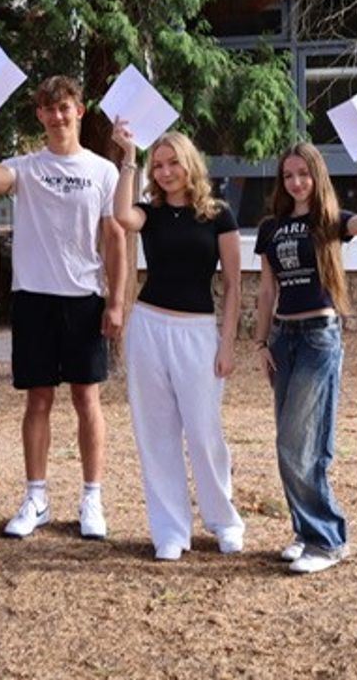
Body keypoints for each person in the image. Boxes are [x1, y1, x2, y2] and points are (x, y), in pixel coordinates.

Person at [0, 75, 125, 540]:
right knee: (38, 400)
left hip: (84, 299)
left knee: (86, 399)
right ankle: (37, 497)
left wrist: (116, 302)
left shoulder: (103, 171)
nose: (58, 116)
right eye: (49, 109)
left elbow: (115, 240)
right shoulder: (25, 168)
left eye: (65, 107)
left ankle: (92, 497)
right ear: (40, 115)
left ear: (80, 109)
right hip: (34, 299)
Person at [110, 123, 245, 562]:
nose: (167, 172)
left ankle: (224, 521)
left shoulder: (218, 215)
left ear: (190, 165)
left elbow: (234, 285)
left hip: (198, 333)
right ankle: (170, 530)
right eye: (159, 165)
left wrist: (227, 343)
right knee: (156, 433)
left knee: (204, 433)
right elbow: (120, 216)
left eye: (174, 164)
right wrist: (129, 156)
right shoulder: (147, 212)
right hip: (149, 329)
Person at [253, 139, 357, 574]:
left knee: (299, 442)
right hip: (283, 339)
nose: (296, 182)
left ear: (317, 176)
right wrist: (259, 343)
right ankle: (304, 530)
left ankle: (327, 540)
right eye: (288, 175)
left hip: (317, 337)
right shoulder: (271, 227)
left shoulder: (329, 221)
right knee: (293, 442)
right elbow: (267, 291)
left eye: (303, 174)